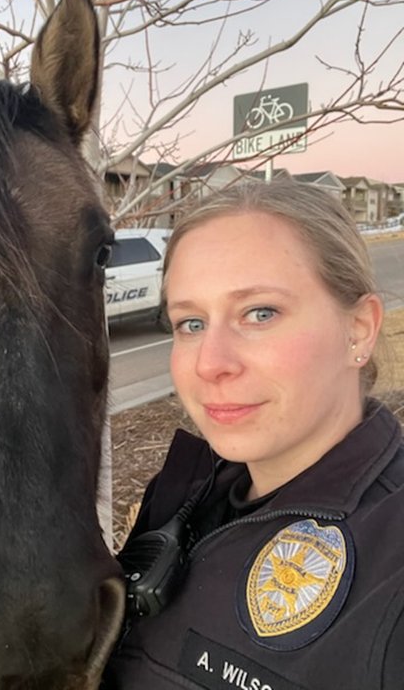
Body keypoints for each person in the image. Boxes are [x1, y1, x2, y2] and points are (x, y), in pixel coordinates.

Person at [105, 181, 404, 689]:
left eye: (260, 313)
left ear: (358, 328)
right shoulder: (184, 491)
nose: (211, 363)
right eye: (191, 323)